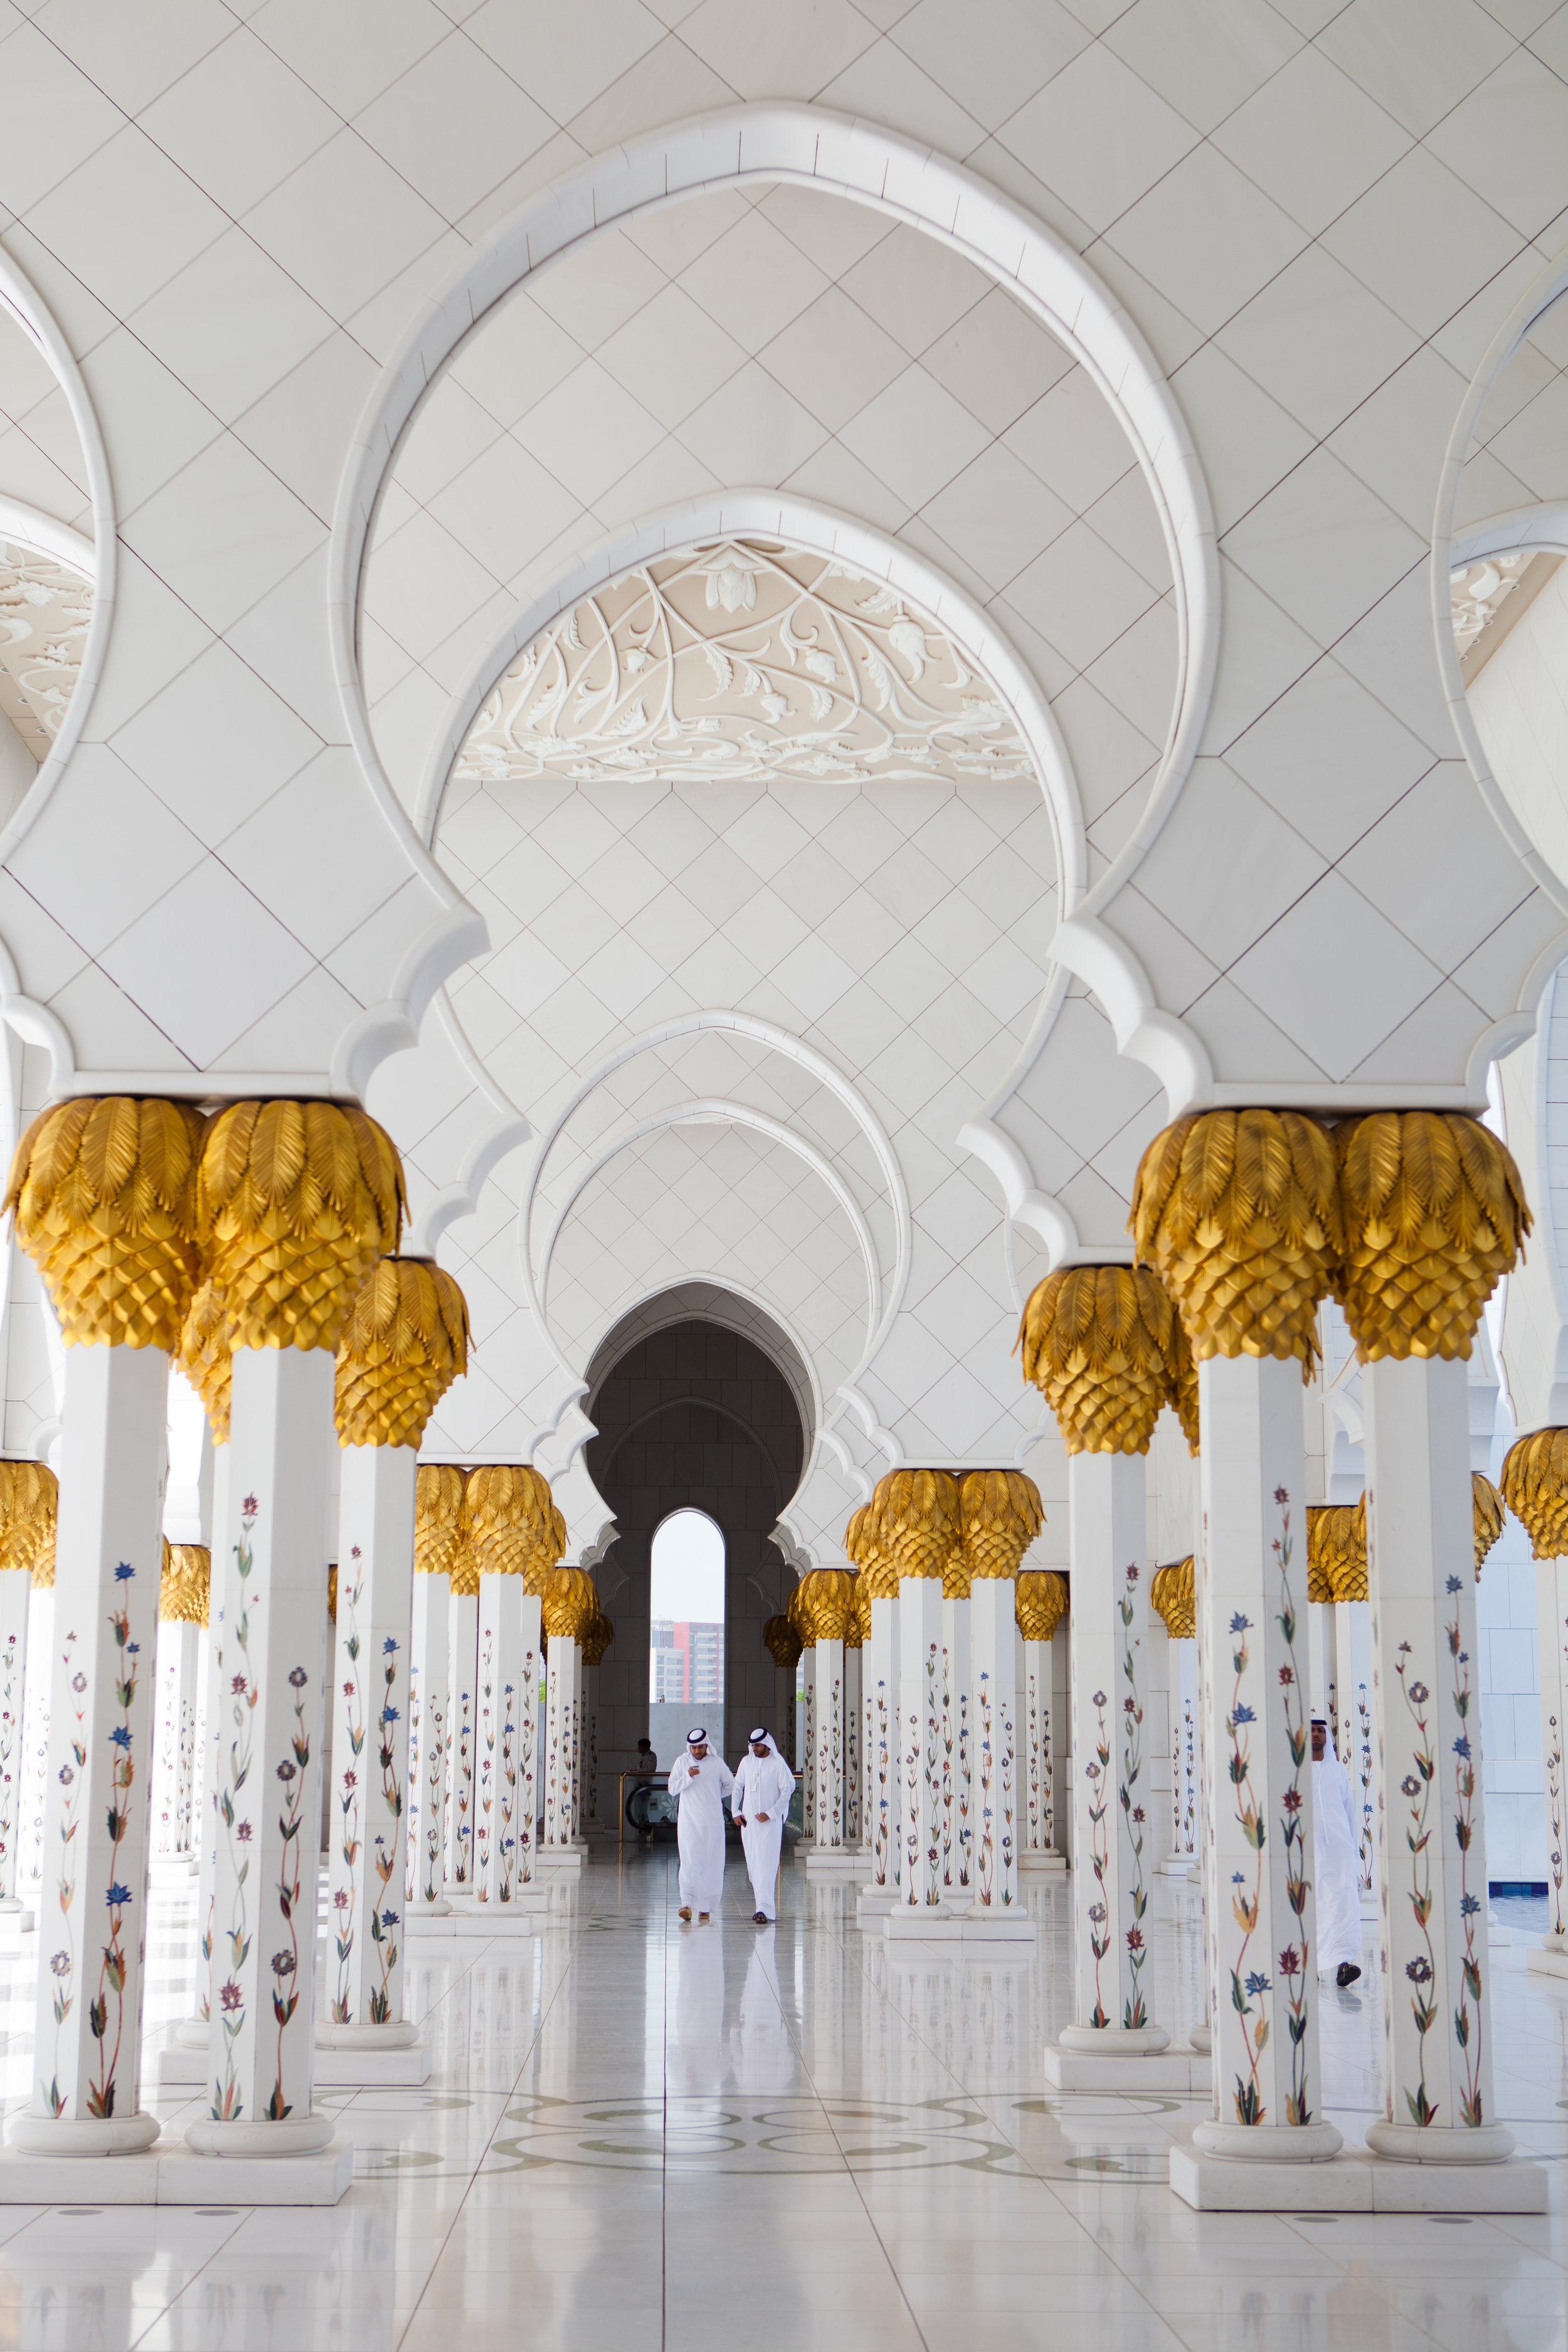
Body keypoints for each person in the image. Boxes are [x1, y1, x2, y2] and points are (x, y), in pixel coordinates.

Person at [1311, 1717, 1362, 1988]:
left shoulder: (1339, 1770)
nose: (1316, 1735)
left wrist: (1353, 1854)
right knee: (1313, 1903)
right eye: (1311, 1731)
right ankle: (1311, 1964)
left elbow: (1350, 1813)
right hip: (1309, 1850)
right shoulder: (1295, 1771)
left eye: (1321, 1730)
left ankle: (1344, 1963)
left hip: (1340, 1850)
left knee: (1342, 1903)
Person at [666, 1727, 733, 1922]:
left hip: (712, 1822)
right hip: (689, 1822)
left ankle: (706, 1907)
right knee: (689, 1861)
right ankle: (686, 1903)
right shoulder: (682, 1762)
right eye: (694, 1748)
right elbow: (672, 1789)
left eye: (700, 1747)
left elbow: (730, 1784)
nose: (697, 1751)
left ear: (707, 1746)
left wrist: (713, 1795)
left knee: (712, 1862)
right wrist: (688, 1777)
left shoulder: (717, 1763)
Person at [731, 1727, 794, 1924]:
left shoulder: (777, 1764)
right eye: (753, 1745)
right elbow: (737, 1787)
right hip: (749, 1823)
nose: (755, 1749)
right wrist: (736, 1812)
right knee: (754, 1865)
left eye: (758, 1745)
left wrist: (771, 1813)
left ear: (766, 1745)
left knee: (766, 1865)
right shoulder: (746, 1762)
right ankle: (761, 1906)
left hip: (770, 1824)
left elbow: (787, 1791)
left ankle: (763, 1910)